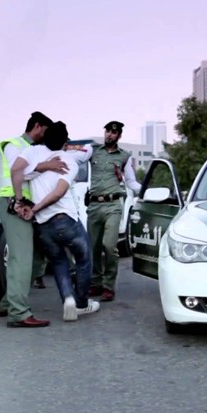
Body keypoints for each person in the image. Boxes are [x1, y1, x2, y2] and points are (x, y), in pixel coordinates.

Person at [10, 121, 99, 321]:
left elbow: (15, 171)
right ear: (65, 142)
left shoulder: (31, 152)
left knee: (59, 262)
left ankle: (68, 299)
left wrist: (20, 201)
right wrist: (35, 208)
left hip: (43, 226)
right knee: (84, 258)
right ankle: (81, 304)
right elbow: (58, 193)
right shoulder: (68, 160)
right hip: (65, 220)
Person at [0, 111, 68, 328]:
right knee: (21, 258)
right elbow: (18, 172)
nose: (47, 136)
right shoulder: (13, 145)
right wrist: (45, 166)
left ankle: (8, 303)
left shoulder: (37, 149)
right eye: (45, 131)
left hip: (29, 207)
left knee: (37, 256)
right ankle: (18, 313)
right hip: (14, 203)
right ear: (37, 126)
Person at [72, 120, 141, 302]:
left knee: (109, 246)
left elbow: (131, 182)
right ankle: (96, 283)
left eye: (113, 132)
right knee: (93, 247)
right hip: (94, 205)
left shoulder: (124, 156)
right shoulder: (92, 150)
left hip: (113, 205)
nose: (109, 135)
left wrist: (145, 191)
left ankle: (108, 286)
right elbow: (74, 159)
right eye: (107, 131)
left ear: (119, 135)